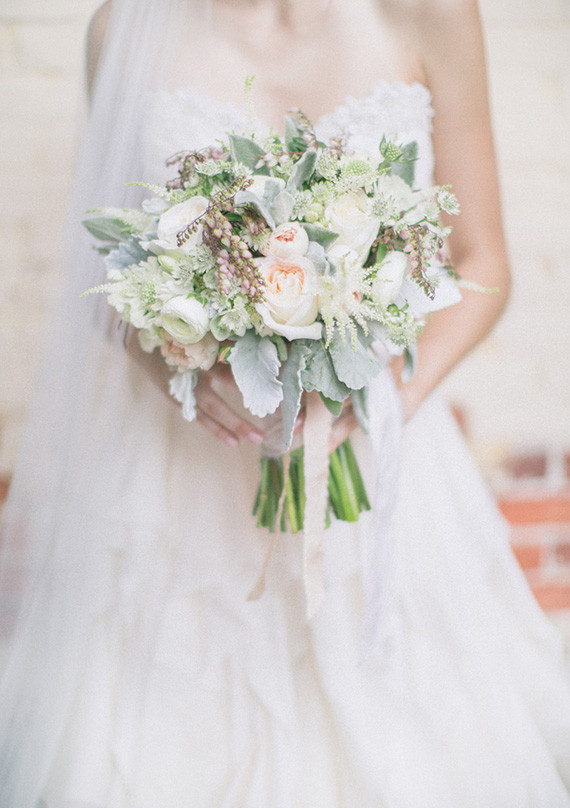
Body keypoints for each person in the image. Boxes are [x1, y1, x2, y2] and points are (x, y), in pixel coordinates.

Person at [1, 0, 569, 805]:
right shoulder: (121, 29)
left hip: (375, 466)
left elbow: (485, 262)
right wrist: (178, 368)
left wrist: (372, 401)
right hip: (180, 486)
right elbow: (105, 281)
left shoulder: (432, 14)